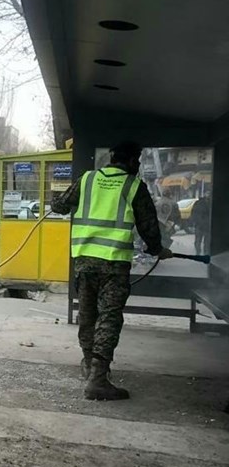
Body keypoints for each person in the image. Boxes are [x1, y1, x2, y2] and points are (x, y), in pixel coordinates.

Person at [52, 142, 173, 401]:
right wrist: (158, 249)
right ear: (130, 161)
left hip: (84, 261)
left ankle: (89, 365)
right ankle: (97, 379)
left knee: (87, 314)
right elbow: (149, 226)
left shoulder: (87, 179)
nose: (137, 166)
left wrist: (55, 200)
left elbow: (60, 205)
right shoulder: (133, 186)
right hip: (114, 265)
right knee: (109, 318)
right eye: (136, 161)